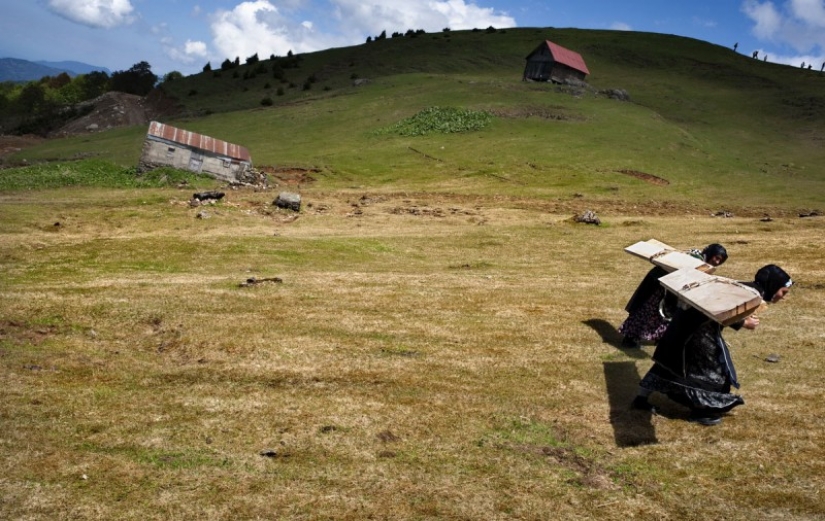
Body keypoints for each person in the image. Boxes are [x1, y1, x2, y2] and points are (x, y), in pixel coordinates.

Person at [631, 264, 793, 426]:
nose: (783, 296)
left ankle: (641, 398)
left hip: (683, 325)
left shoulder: (744, 287)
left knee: (669, 361)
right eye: (783, 292)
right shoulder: (750, 293)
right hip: (697, 332)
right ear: (772, 285)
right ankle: (702, 411)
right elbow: (719, 308)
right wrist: (743, 322)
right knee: (712, 371)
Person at [619, 244, 728, 348]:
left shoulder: (703, 263)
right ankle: (630, 338)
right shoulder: (695, 258)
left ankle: (659, 338)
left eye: (720, 261)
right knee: (647, 311)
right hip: (659, 284)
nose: (717, 262)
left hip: (670, 286)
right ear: (711, 253)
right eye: (716, 258)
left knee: (667, 314)